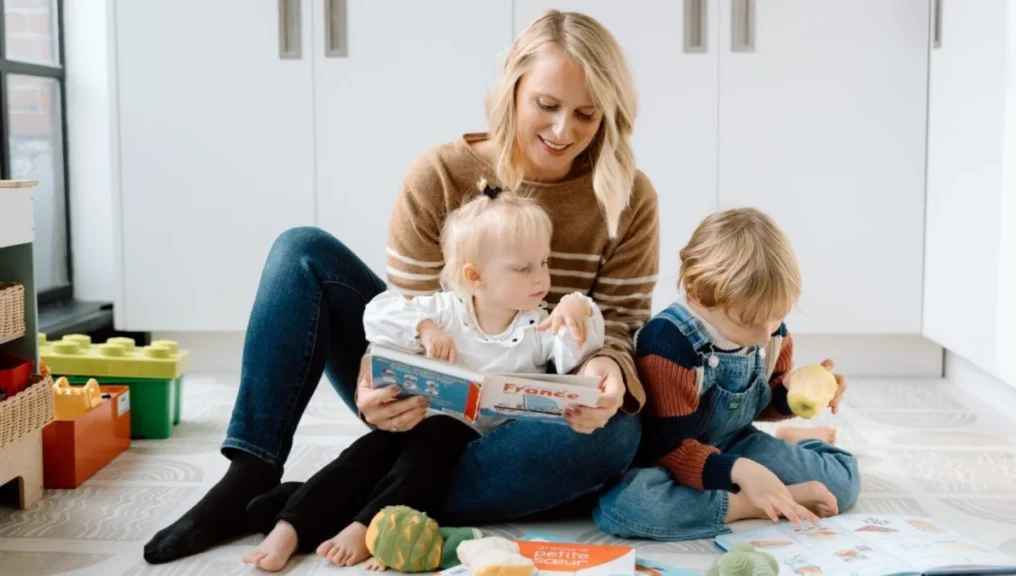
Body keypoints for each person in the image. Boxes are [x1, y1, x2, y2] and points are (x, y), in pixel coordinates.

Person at [143, 8, 660, 565]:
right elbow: (407, 315)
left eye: (586, 114)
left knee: (617, 437)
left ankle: (343, 498)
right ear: (512, 90)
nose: (563, 131)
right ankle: (250, 474)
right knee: (300, 251)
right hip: (424, 405)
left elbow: (620, 326)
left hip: (524, 417)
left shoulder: (629, 198)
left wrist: (603, 371)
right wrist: (373, 383)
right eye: (546, 105)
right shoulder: (439, 176)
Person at [241, 190, 605, 572]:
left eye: (544, 262)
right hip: (413, 424)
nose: (541, 277)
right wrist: (424, 328)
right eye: (523, 268)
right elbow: (377, 314)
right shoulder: (444, 309)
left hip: (478, 448)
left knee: (436, 441)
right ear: (475, 276)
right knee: (368, 452)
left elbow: (579, 353)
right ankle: (290, 526)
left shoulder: (541, 325)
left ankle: (369, 526)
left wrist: (578, 309)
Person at [592, 208, 861, 542]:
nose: (765, 333)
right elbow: (665, 447)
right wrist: (740, 471)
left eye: (777, 316)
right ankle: (749, 504)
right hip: (667, 457)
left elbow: (762, 403)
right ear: (696, 292)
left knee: (842, 485)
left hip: (735, 441)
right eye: (749, 322)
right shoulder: (667, 346)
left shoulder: (769, 332)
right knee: (627, 507)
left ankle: (797, 441)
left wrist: (791, 394)